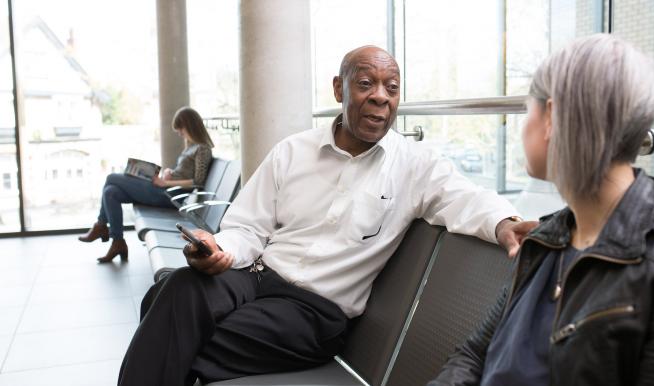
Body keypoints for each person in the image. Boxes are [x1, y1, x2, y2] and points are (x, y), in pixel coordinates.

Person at [116, 46, 537, 386]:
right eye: (367, 83)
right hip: (254, 274)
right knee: (181, 289)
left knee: (167, 321)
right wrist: (218, 250)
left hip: (313, 312)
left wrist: (504, 224)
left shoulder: (415, 166)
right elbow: (246, 228)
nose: (381, 97)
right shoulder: (292, 152)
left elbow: (465, 198)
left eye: (392, 88)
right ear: (339, 89)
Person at [429, 34, 654, 386]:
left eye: (526, 109)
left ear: (550, 116)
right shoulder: (546, 241)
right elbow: (475, 355)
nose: (522, 125)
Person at [78, 106, 214, 263]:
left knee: (111, 178)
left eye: (180, 128)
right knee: (110, 192)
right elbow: (186, 174)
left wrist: (165, 182)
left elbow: (198, 182)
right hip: (166, 189)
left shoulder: (202, 149)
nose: (179, 133)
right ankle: (117, 242)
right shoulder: (191, 147)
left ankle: (101, 225)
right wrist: (170, 174)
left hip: (170, 196)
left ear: (190, 125)